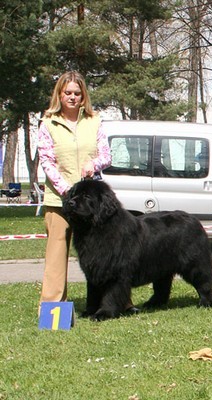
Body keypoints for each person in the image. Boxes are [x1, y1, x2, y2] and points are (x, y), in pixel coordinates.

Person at [37, 71, 112, 313]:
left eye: (77, 93)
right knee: (56, 258)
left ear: (83, 96)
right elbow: (46, 161)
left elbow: (106, 155)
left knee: (106, 254)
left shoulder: (95, 121)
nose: (72, 97)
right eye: (67, 92)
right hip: (59, 201)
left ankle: (114, 302)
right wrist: (67, 191)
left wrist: (95, 164)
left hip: (91, 206)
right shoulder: (48, 123)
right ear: (59, 94)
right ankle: (52, 309)